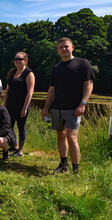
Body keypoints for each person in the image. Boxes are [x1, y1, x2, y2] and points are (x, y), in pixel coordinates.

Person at [42, 37, 95, 174]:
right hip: (57, 107)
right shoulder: (56, 68)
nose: (64, 49)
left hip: (74, 109)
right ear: (58, 50)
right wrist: (46, 107)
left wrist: (83, 104)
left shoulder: (83, 63)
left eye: (66, 46)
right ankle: (63, 165)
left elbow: (89, 85)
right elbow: (52, 89)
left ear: (72, 48)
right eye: (61, 47)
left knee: (72, 137)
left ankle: (75, 169)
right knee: (61, 136)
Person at [4, 52, 35, 157]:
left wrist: (25, 108)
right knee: (9, 126)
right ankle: (14, 145)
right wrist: (4, 105)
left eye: (20, 59)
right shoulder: (12, 73)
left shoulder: (28, 73)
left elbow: (30, 92)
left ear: (25, 61)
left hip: (22, 105)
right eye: (16, 59)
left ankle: (20, 151)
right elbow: (7, 90)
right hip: (10, 105)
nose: (17, 61)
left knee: (21, 127)